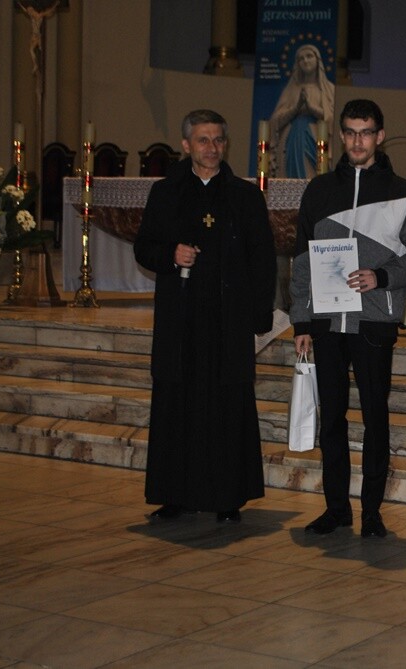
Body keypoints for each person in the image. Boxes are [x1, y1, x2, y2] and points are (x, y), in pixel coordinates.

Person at [290, 99, 406, 538]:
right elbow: (301, 259)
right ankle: (337, 509)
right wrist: (301, 322)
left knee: (375, 418)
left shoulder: (404, 192)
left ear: (379, 136)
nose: (357, 141)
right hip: (326, 323)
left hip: (374, 321)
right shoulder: (318, 191)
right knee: (331, 418)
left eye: (365, 132)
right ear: (341, 135)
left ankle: (371, 512)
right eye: (350, 132)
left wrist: (382, 276)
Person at [134, 109, 276, 524]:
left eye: (218, 140)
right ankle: (174, 495)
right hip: (180, 323)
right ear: (186, 145)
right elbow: (144, 247)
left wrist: (259, 316)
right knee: (177, 407)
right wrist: (170, 254)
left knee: (226, 409)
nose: (212, 148)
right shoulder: (165, 192)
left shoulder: (245, 196)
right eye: (203, 140)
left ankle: (228, 498)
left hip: (228, 323)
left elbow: (263, 259)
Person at [270, 43, 335, 179]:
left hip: (316, 139)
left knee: (316, 178)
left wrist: (311, 108)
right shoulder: (291, 89)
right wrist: (296, 108)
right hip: (292, 139)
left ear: (318, 60)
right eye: (301, 58)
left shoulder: (328, 89)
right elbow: (276, 120)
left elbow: (332, 119)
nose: (305, 61)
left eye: (309, 56)